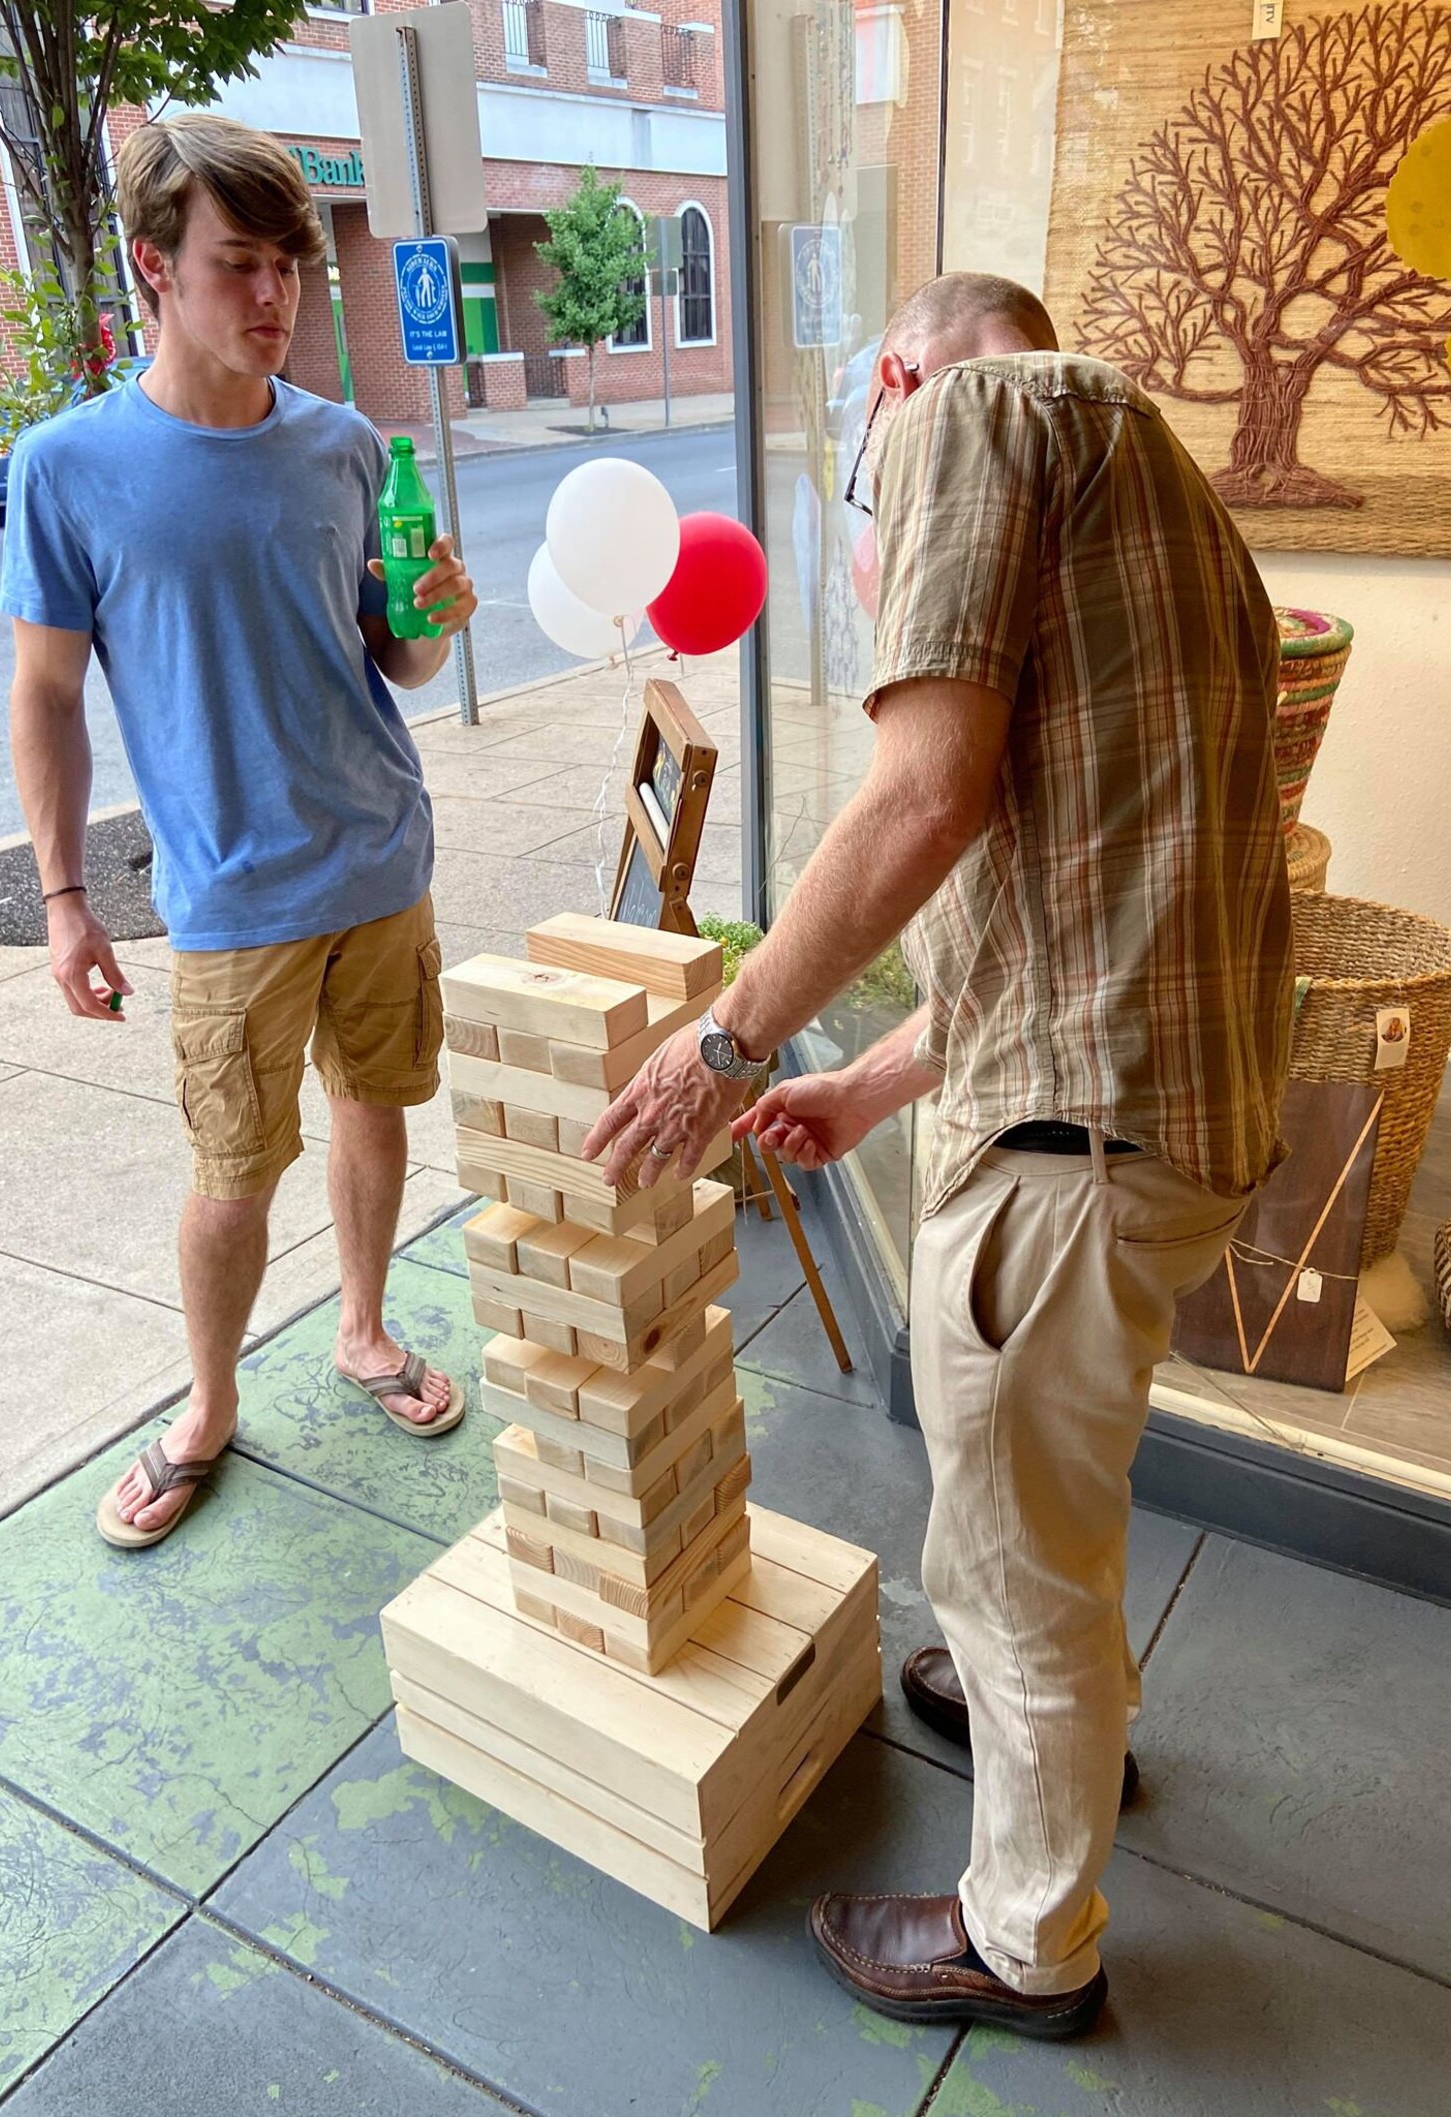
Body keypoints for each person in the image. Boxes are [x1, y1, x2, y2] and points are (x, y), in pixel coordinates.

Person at [582, 273, 1291, 2036]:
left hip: (1075, 1157)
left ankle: (1025, 1936)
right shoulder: (1174, 498)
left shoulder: (971, 417)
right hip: (1166, 1118)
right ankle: (1045, 1706)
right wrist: (876, 1085)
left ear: (896, 373)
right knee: (1057, 1488)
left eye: (860, 474)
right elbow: (1073, 917)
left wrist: (730, 1036)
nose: (876, 522)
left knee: (1010, 1545)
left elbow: (922, 792)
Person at [0, 115, 478, 1551]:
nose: (274, 296)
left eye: (290, 265)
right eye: (237, 264)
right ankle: (207, 1405)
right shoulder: (69, 466)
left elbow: (387, 664)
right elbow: (45, 691)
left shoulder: (342, 448)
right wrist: (65, 894)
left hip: (381, 859)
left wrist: (431, 622)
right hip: (226, 895)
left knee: (378, 1107)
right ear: (155, 267)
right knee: (231, 1172)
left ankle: (364, 1327)